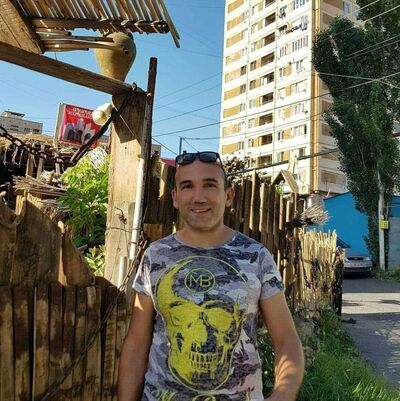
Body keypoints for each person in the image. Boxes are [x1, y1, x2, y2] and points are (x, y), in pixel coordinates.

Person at [118, 151, 304, 401]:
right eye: (187, 186)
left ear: (228, 196)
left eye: (209, 185)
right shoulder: (155, 256)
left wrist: (283, 393)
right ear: (175, 198)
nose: (199, 197)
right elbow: (136, 344)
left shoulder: (256, 257)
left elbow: (286, 339)